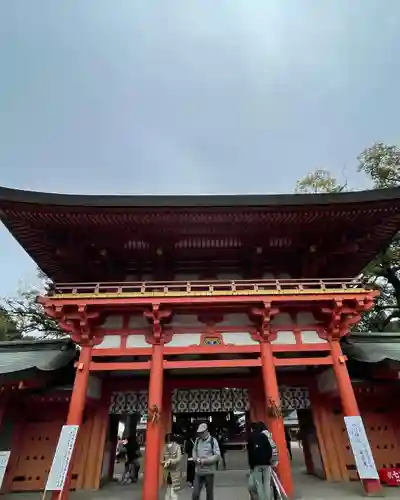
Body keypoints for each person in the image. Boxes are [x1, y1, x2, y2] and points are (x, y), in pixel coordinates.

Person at [247, 421, 278, 500]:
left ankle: (261, 498)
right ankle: (267, 498)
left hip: (257, 465)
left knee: (259, 484)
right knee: (267, 484)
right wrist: (269, 460)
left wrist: (251, 466)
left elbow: (250, 453)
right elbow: (270, 450)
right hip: (266, 464)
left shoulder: (251, 437)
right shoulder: (264, 436)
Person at [192, 423, 220, 500]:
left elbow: (217, 455)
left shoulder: (213, 441)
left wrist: (205, 461)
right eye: (199, 433)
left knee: (209, 494)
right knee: (195, 493)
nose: (200, 434)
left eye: (202, 432)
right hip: (198, 471)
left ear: (206, 431)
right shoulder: (197, 440)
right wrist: (195, 458)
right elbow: (194, 450)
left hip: (209, 471)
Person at [162, 433, 183, 500]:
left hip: (175, 471)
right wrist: (165, 462)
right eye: (167, 442)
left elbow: (179, 458)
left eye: (170, 442)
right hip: (167, 471)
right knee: (168, 488)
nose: (169, 444)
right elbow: (161, 460)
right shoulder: (164, 447)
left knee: (173, 490)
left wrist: (171, 460)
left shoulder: (177, 447)